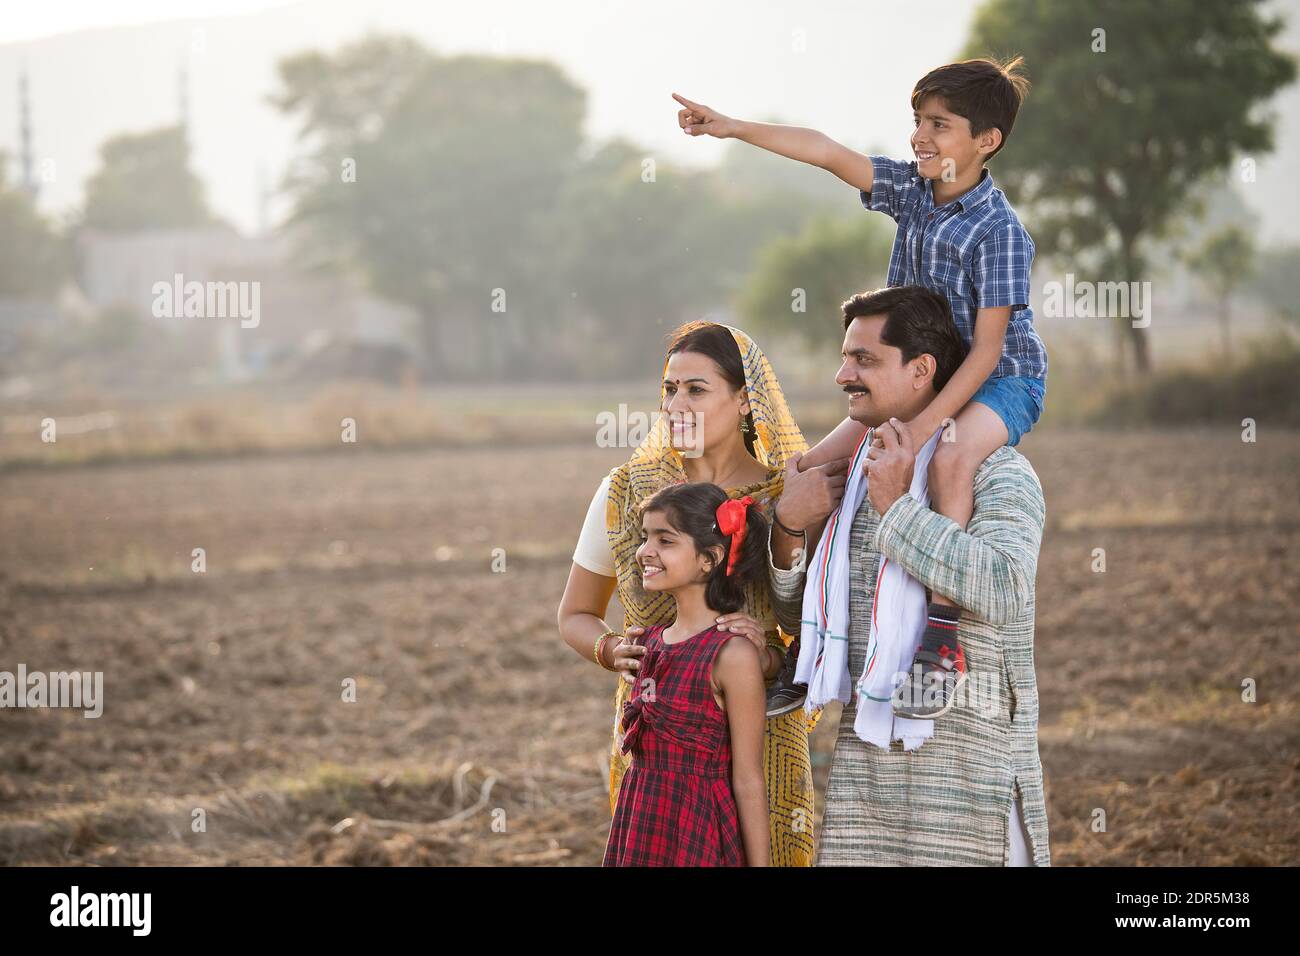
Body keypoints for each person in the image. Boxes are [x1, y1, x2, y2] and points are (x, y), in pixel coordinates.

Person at [673, 56, 1046, 719]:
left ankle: (942, 633)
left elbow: (988, 351)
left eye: (940, 124)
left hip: (999, 382)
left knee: (955, 458)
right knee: (812, 467)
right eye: (917, 121)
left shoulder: (1000, 232)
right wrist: (729, 127)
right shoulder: (909, 190)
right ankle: (802, 642)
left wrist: (924, 431)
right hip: (914, 380)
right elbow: (821, 149)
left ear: (987, 141)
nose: (920, 137)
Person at [770, 285, 1050, 865]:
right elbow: (797, 618)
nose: (843, 374)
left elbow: (1005, 589)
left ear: (922, 368)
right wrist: (789, 529)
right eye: (846, 357)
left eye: (864, 359)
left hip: (972, 790)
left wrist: (899, 508)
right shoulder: (853, 479)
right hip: (866, 796)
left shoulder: (997, 474)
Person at [557, 322, 845, 866]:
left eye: (696, 389)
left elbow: (818, 624)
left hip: (762, 739)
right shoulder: (628, 493)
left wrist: (767, 653)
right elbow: (575, 614)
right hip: (660, 743)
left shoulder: (791, 499)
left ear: (744, 399)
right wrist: (610, 648)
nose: (676, 405)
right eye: (669, 389)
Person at [603, 483, 770, 866]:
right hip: (642, 822)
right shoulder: (648, 644)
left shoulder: (732, 654)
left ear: (709, 559)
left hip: (699, 827)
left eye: (665, 540)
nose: (646, 551)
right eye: (646, 538)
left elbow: (748, 779)